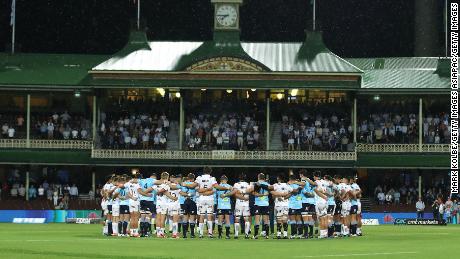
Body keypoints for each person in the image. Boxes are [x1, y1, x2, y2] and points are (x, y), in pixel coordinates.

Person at [181, 167, 217, 238]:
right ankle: (210, 234)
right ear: (210, 171)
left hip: (201, 198)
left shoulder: (199, 178)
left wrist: (185, 184)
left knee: (201, 216)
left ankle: (201, 234)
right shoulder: (212, 178)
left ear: (203, 171)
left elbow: (193, 186)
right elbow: (215, 187)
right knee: (209, 216)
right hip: (210, 199)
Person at [271, 175, 292, 239]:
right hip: (286, 204)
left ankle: (279, 234)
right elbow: (291, 193)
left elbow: (273, 195)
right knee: (285, 219)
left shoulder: (275, 185)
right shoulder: (288, 186)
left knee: (279, 219)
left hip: (278, 205)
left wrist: (277, 197)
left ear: (278, 178)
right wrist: (285, 198)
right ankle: (285, 235)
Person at [252, 173, 272, 239]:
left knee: (257, 220)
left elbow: (255, 194)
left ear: (258, 177)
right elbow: (269, 192)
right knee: (266, 220)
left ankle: (255, 235)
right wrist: (264, 194)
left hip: (258, 203)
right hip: (266, 204)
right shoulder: (267, 184)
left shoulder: (256, 184)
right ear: (264, 178)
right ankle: (267, 235)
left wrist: (261, 195)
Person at [179, 173, 198, 238]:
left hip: (185, 201)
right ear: (193, 178)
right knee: (192, 218)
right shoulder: (195, 183)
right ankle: (192, 234)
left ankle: (184, 234)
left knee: (185, 217)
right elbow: (197, 191)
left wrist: (186, 195)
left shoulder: (183, 183)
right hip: (192, 202)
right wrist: (190, 195)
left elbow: (180, 192)